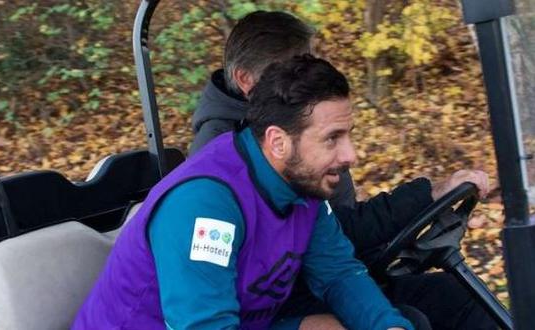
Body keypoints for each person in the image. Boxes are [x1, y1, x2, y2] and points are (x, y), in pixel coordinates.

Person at [190, 11, 496, 330]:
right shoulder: (223, 169)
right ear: (245, 80)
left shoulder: (299, 139)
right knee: (414, 318)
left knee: (452, 297)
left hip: (322, 274)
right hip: (277, 300)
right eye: (293, 71)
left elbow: (332, 252)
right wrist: (424, 197)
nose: (350, 155)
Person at [73, 55, 413, 329]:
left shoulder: (302, 185)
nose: (350, 155)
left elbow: (338, 273)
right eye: (332, 138)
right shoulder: (205, 207)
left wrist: (388, 325)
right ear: (278, 142)